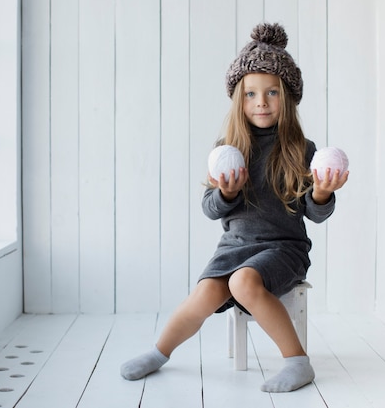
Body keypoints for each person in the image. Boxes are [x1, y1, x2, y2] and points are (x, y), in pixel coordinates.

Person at [120, 22, 348, 393]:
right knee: (205, 294)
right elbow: (210, 208)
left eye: (272, 92)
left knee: (244, 281)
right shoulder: (228, 149)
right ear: (238, 99)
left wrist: (322, 193)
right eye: (251, 94)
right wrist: (226, 194)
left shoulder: (301, 149)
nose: (261, 102)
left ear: (287, 98)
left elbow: (314, 213)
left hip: (284, 248)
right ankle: (159, 352)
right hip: (235, 247)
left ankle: (298, 362)